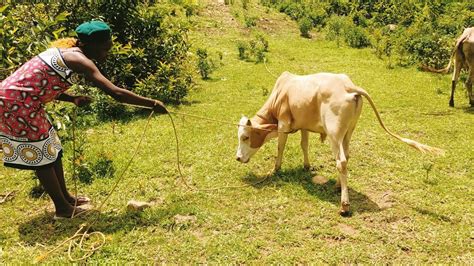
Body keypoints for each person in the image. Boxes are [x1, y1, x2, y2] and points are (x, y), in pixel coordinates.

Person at [0, 21, 168, 219]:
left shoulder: (66, 52)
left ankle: (66, 198)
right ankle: (62, 209)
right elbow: (116, 93)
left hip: (22, 101)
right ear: (87, 45)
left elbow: (38, 85)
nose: (107, 53)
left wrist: (72, 98)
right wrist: (152, 103)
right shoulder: (79, 60)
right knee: (40, 156)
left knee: (51, 147)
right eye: (105, 49)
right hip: (15, 105)